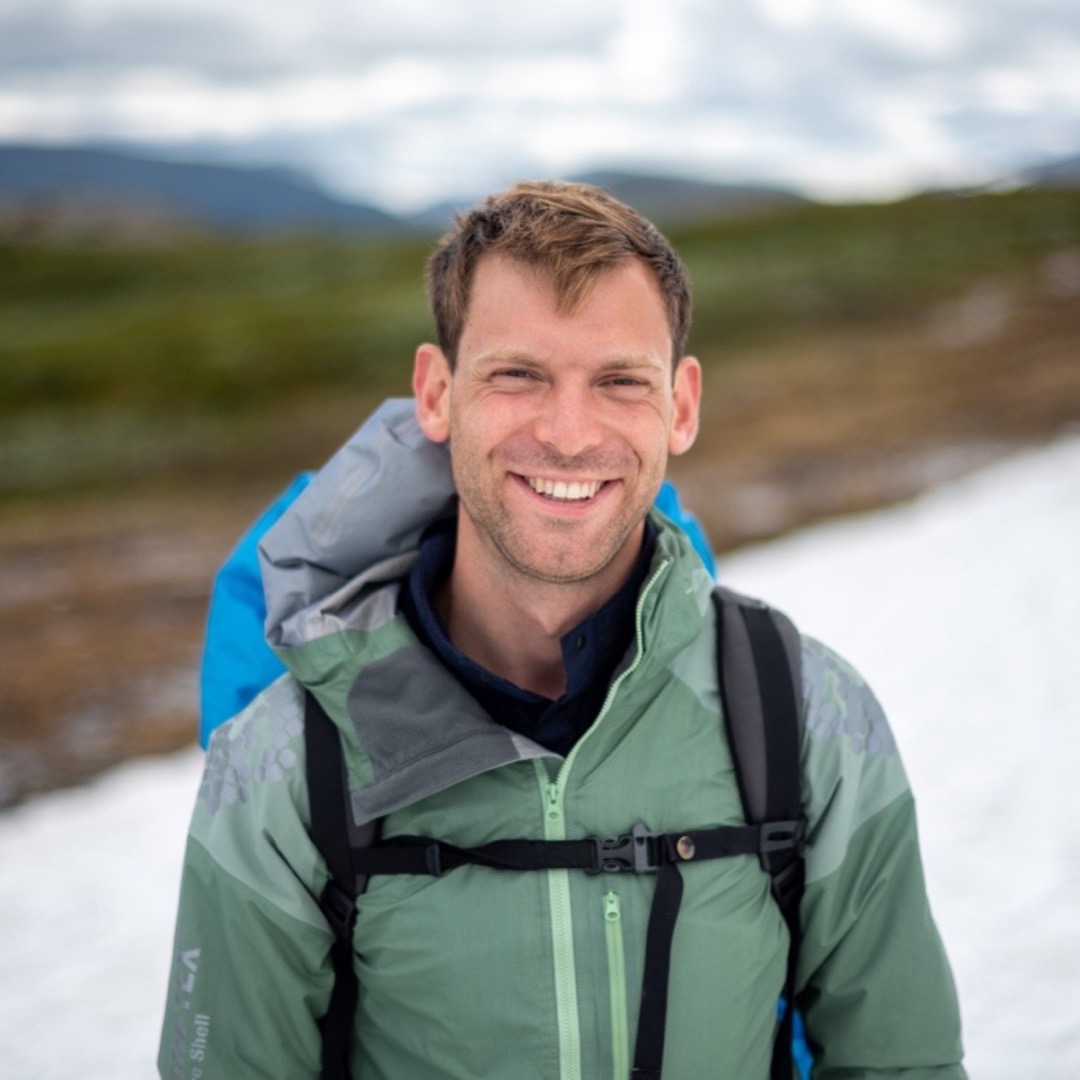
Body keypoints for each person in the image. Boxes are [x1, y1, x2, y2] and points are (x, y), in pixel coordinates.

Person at [159, 181, 966, 1078]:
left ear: (681, 405)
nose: (570, 435)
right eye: (518, 374)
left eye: (620, 381)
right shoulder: (279, 765)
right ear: (436, 393)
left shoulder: (810, 717)